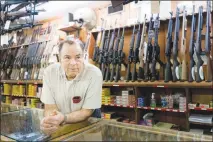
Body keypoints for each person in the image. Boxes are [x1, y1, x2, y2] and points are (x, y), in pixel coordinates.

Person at [40, 39, 103, 135]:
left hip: (88, 124)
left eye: (78, 57)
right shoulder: (49, 73)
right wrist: (50, 121)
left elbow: (86, 112)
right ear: (59, 59)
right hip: (62, 124)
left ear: (83, 57)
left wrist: (63, 118)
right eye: (67, 57)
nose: (73, 63)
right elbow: (50, 107)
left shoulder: (94, 74)